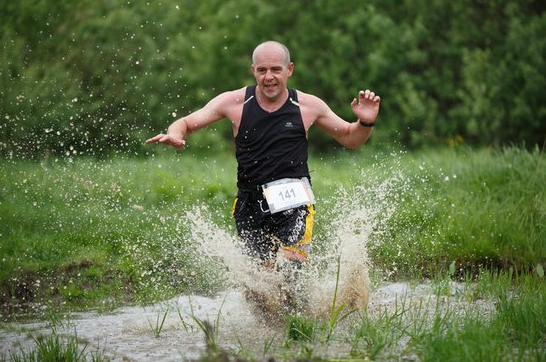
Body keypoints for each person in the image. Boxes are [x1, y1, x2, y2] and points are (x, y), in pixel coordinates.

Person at [146, 40, 380, 269]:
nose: (269, 77)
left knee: (290, 272)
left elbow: (350, 138)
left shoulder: (309, 106)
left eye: (276, 69)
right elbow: (186, 122)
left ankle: (301, 304)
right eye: (262, 70)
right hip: (250, 202)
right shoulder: (235, 102)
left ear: (289, 70)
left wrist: (366, 121)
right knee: (258, 286)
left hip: (295, 201)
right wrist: (175, 134)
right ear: (254, 71)